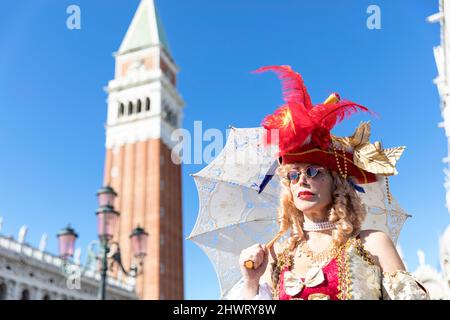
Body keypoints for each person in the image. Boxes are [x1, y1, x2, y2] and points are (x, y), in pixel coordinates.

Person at [226, 65, 429, 300]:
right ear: (288, 188)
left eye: (313, 171)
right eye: (293, 175)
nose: (302, 180)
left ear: (336, 182)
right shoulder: (277, 258)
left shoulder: (371, 244)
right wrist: (251, 284)